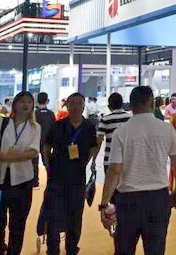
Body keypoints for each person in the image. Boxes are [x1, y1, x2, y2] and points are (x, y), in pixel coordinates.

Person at [99, 86, 176, 255]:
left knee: (124, 249)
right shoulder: (166, 129)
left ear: (131, 106)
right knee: (155, 249)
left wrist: (104, 203)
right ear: (152, 102)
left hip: (128, 200)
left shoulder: (121, 132)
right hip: (158, 198)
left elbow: (115, 170)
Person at [42, 92, 99, 255]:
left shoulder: (88, 127)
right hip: (57, 177)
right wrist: (47, 164)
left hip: (78, 178)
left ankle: (72, 248)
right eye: (72, 103)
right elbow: (46, 145)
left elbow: (93, 146)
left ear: (83, 106)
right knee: (54, 215)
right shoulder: (58, 125)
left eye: (79, 103)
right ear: (67, 106)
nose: (75, 106)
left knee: (75, 216)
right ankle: (52, 249)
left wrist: (86, 162)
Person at [0, 92, 41, 255]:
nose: (26, 105)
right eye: (22, 101)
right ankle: (0, 250)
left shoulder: (35, 127)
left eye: (29, 102)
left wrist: (6, 157)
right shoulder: (2, 123)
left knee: (18, 223)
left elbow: (34, 152)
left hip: (23, 180)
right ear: (15, 104)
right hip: (0, 179)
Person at [95, 92, 131, 174]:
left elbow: (99, 141)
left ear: (109, 106)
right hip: (128, 161)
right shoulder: (131, 118)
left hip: (110, 160)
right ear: (122, 104)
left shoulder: (105, 119)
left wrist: (94, 160)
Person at [35, 92, 56, 188]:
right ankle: (50, 181)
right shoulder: (51, 114)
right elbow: (54, 128)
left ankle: (35, 182)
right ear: (47, 101)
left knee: (34, 162)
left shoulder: (34, 114)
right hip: (47, 141)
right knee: (47, 162)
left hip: (35, 141)